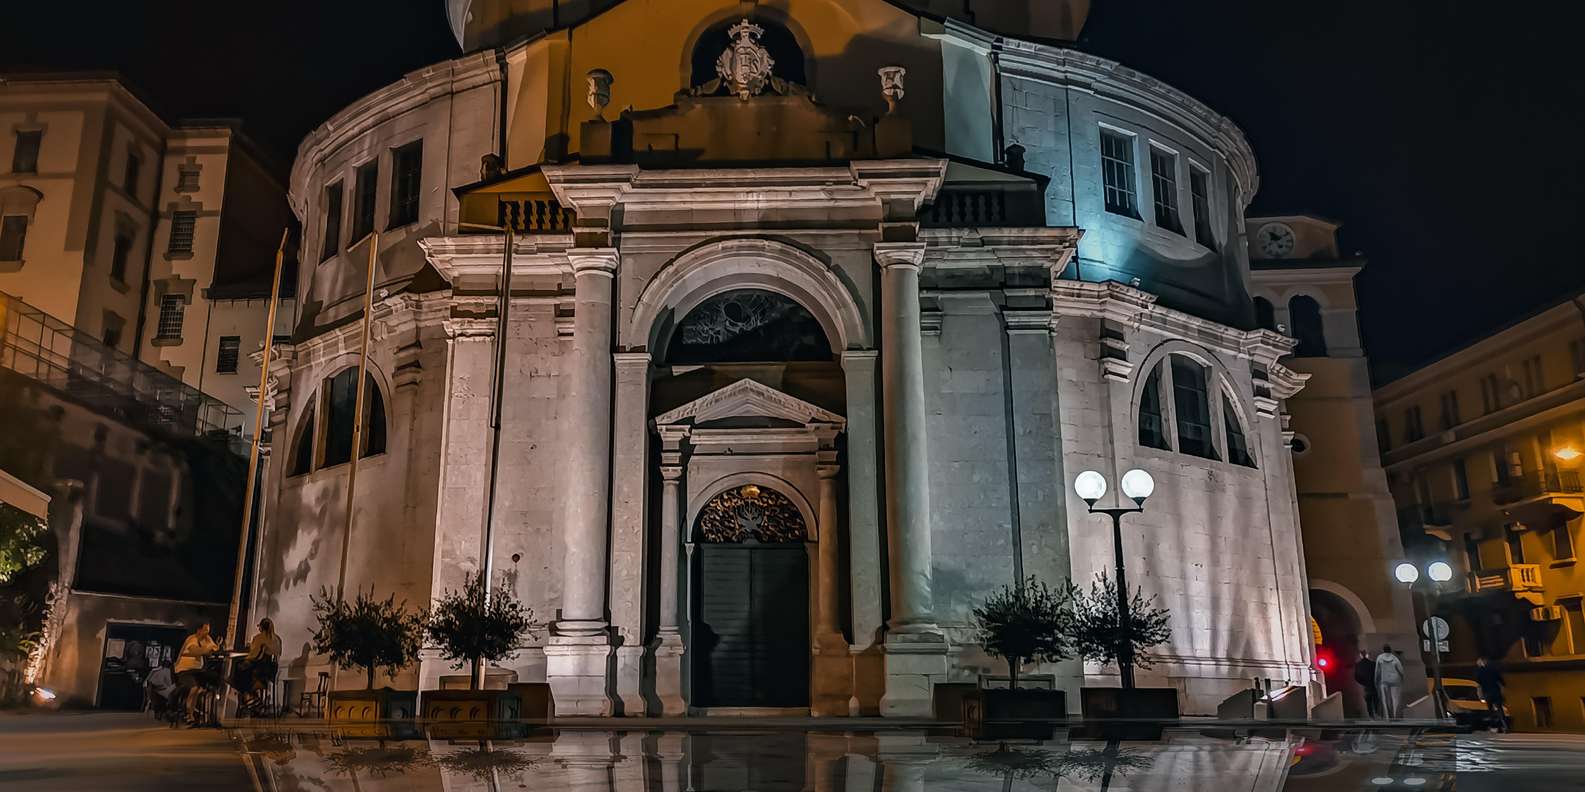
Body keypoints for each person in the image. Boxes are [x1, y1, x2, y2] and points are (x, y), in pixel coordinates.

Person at [174, 622, 221, 726]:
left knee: (215, 680)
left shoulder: (205, 639)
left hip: (197, 671)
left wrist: (213, 644)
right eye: (205, 630)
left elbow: (215, 649)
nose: (207, 633)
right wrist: (209, 647)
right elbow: (197, 651)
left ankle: (208, 715)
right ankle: (188, 714)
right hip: (185, 671)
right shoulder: (192, 639)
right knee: (194, 688)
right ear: (198, 630)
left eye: (208, 631)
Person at [232, 618, 282, 712]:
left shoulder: (259, 638)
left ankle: (248, 695)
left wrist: (246, 659)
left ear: (261, 627)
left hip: (261, 670)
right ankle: (251, 696)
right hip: (272, 670)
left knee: (239, 667)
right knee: (244, 668)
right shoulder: (277, 639)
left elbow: (254, 655)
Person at [1476, 656, 1507, 732]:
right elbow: (1502, 682)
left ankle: (1494, 726)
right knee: (1499, 709)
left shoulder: (1479, 672)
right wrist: (1502, 690)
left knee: (1490, 710)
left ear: (1481, 663)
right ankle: (1504, 725)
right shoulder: (1493, 669)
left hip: (1487, 693)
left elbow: (1479, 685)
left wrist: (1480, 695)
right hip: (1496, 691)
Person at [1375, 642, 1406, 719]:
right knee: (1395, 699)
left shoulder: (1379, 658)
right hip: (1395, 681)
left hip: (1384, 681)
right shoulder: (1395, 658)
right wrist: (1402, 678)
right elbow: (1401, 670)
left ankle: (1387, 717)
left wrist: (1376, 680)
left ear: (1383, 650)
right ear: (1390, 650)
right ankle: (1395, 716)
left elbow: (1377, 671)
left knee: (1385, 700)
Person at [1354, 649, 1379, 718]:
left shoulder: (1358, 665)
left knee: (1368, 702)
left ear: (1361, 656)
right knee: (1375, 700)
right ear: (1367, 655)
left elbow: (1356, 677)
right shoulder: (1373, 664)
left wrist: (1362, 683)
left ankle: (1371, 716)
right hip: (1373, 685)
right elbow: (1377, 674)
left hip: (1365, 686)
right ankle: (1376, 712)